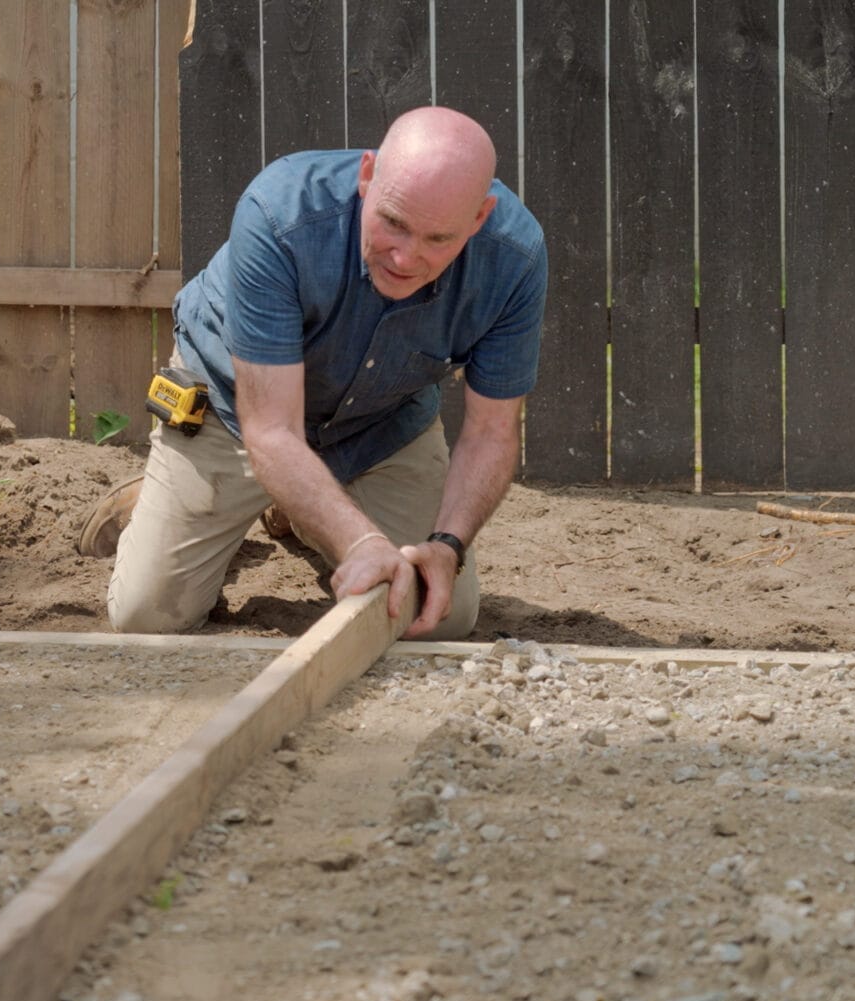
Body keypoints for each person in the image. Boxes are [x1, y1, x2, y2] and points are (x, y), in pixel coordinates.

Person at [83, 107, 546, 641]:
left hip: (380, 420)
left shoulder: (515, 257)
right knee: (146, 618)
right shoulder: (281, 213)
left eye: (438, 239)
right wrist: (360, 542)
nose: (405, 257)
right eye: (393, 223)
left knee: (439, 618)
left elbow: (491, 432)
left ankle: (298, 508)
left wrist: (448, 545)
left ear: (480, 218)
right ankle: (163, 500)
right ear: (367, 176)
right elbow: (271, 429)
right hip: (238, 407)